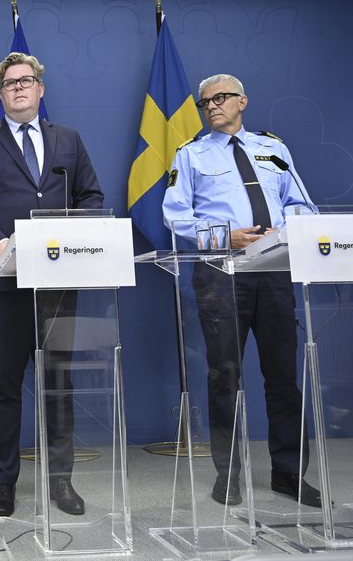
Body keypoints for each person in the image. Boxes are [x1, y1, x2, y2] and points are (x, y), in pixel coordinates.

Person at [0, 53, 103, 517]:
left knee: (58, 381)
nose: (19, 88)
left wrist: (72, 234)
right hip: (3, 278)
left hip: (58, 279)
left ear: (41, 90)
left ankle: (61, 482)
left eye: (26, 81)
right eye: (10, 83)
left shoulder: (68, 140)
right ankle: (3, 484)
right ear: (1, 96)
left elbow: (92, 196)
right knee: (4, 384)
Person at [163, 73, 321, 507]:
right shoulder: (191, 155)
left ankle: (289, 474)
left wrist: (280, 236)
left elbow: (302, 204)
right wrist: (223, 237)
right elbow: (175, 216)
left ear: (243, 101)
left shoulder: (274, 149)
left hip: (274, 270)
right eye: (205, 102)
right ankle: (227, 473)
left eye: (221, 98)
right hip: (221, 272)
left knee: (283, 378)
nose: (212, 106)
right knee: (224, 375)